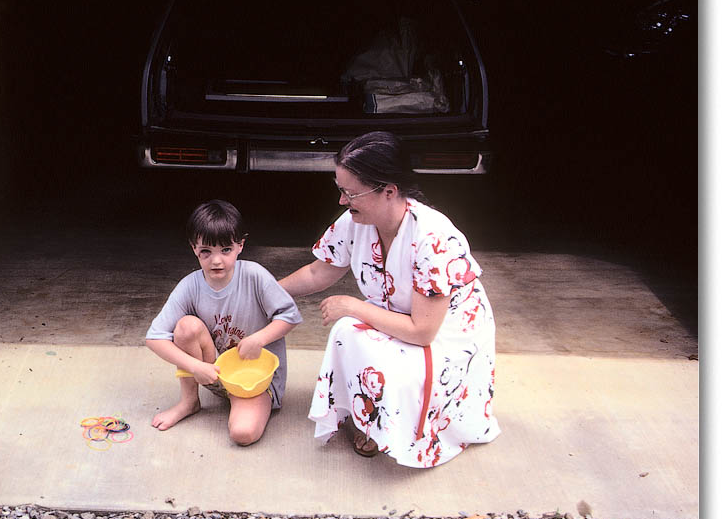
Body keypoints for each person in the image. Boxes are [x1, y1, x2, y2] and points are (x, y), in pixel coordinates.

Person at [279, 131, 499, 467]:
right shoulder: (357, 220)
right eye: (340, 190)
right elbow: (318, 273)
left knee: (351, 324)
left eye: (350, 193)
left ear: (389, 191)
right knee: (348, 333)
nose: (342, 201)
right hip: (400, 320)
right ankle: (368, 418)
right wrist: (262, 292)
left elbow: (423, 331)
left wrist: (355, 306)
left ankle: (395, 423)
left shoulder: (433, 238)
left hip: (446, 338)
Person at [145, 200, 302, 445]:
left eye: (226, 250)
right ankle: (189, 402)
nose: (216, 260)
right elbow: (154, 337)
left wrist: (259, 339)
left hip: (256, 380)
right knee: (186, 326)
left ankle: (246, 406)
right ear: (193, 248)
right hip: (217, 373)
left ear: (240, 245)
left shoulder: (254, 276)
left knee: (243, 433)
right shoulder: (190, 285)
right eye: (206, 251)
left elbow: (290, 316)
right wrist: (194, 366)